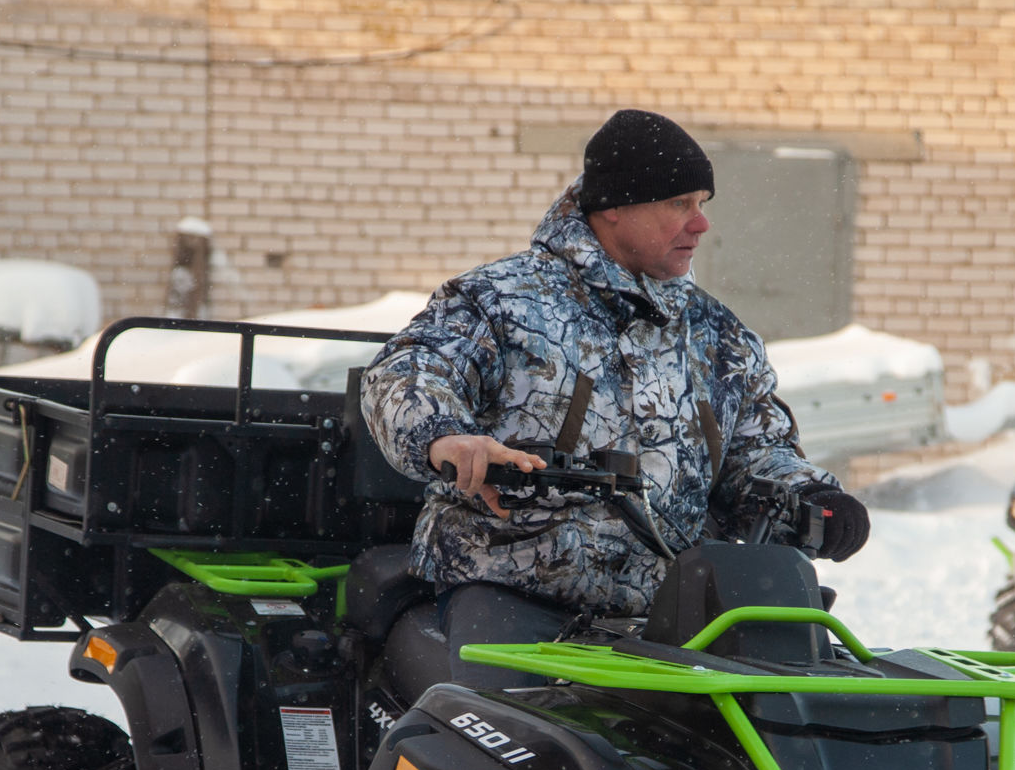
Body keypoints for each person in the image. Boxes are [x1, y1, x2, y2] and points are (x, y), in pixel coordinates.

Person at [360, 109, 870, 680]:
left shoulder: (718, 334)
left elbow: (756, 452)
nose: (700, 225)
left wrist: (812, 498)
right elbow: (408, 373)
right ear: (614, 208)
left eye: (702, 204)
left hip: (680, 612)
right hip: (516, 593)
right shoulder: (502, 301)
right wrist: (447, 438)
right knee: (516, 741)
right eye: (680, 203)